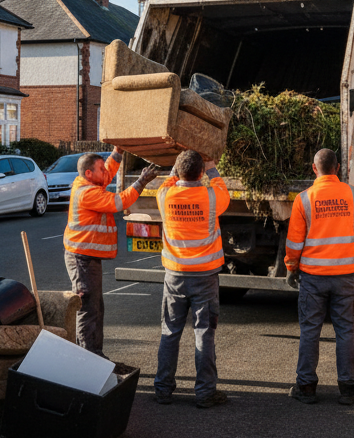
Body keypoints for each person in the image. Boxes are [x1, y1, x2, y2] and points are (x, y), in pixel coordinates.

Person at [284, 148, 354, 405]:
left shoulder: (304, 198)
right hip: (345, 275)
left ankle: (306, 387)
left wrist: (291, 267)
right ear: (338, 168)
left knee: (310, 330)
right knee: (346, 331)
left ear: (314, 168)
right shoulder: (353, 193)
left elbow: (294, 241)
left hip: (313, 277)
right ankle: (347, 389)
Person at [153, 149, 231, 408]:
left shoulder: (164, 196)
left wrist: (176, 168)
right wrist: (212, 167)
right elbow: (222, 188)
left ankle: (163, 389)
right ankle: (205, 393)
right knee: (204, 333)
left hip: (174, 275)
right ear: (201, 173)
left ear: (178, 172)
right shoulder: (211, 196)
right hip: (205, 277)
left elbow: (166, 181)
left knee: (170, 332)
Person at [63, 147, 159, 358]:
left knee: (96, 307)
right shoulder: (88, 193)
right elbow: (119, 202)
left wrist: (117, 152)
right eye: (99, 169)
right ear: (89, 173)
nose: (105, 174)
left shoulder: (89, 181)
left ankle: (95, 353)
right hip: (82, 258)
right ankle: (88, 357)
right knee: (88, 308)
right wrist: (141, 182)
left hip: (86, 256)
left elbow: (107, 171)